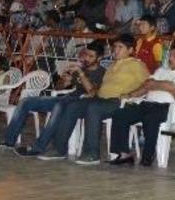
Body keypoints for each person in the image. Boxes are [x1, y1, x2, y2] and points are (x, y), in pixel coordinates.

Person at [39, 34, 149, 164]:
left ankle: (92, 153)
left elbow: (148, 85)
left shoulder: (137, 65)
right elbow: (103, 87)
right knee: (72, 106)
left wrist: (131, 95)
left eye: (121, 47)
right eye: (115, 47)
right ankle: (59, 149)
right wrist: (92, 92)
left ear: (130, 50)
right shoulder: (112, 66)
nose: (116, 50)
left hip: (118, 102)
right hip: (100, 98)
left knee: (93, 108)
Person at [7, 41, 107, 155]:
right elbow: (58, 89)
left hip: (81, 103)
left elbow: (92, 92)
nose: (86, 58)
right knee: (26, 101)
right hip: (67, 98)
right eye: (86, 55)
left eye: (91, 56)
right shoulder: (81, 68)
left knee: (58, 106)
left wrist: (81, 73)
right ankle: (9, 142)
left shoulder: (102, 72)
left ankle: (38, 147)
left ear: (99, 58)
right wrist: (63, 81)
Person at [108, 41, 175, 167]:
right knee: (120, 114)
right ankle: (124, 154)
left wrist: (157, 85)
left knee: (150, 118)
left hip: (166, 108)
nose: (170, 58)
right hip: (146, 103)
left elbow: (169, 85)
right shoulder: (162, 70)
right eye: (170, 55)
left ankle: (147, 156)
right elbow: (146, 85)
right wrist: (131, 95)